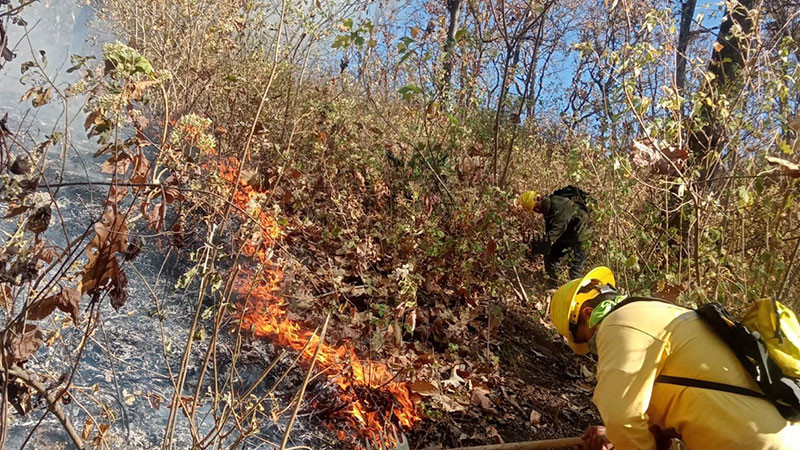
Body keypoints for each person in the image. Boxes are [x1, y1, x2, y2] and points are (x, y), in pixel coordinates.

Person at [549, 266, 800, 450]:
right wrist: (620, 436)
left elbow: (620, 416)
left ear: (588, 313)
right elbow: (691, 405)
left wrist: (622, 434)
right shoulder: (657, 313)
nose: (590, 348)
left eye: (582, 337)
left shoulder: (619, 324)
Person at [519, 187, 591, 285]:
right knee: (550, 257)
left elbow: (558, 229)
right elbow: (552, 233)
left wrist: (544, 244)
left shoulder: (559, 205)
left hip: (580, 237)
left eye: (536, 207)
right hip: (567, 235)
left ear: (539, 198)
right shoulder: (548, 208)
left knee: (575, 270)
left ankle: (579, 296)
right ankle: (553, 285)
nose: (537, 210)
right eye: (534, 210)